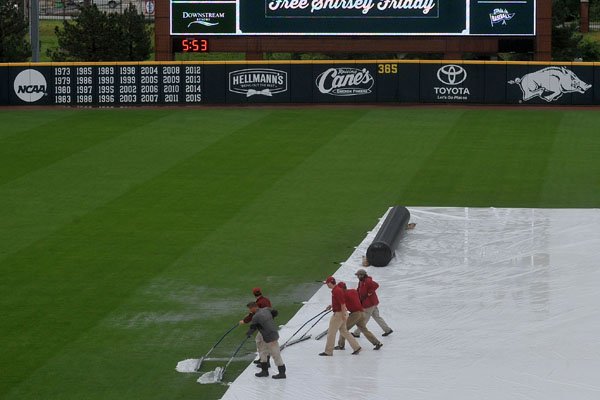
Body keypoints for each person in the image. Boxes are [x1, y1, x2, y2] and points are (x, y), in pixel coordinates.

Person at [319, 276, 361, 356]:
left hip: (339, 314)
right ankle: (356, 347)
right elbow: (340, 301)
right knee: (344, 331)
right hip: (341, 313)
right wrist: (331, 306)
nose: (327, 285)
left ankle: (328, 351)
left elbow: (342, 303)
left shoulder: (336, 291)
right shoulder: (337, 289)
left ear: (331, 283)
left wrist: (343, 315)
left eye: (327, 283)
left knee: (331, 332)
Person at [245, 302, 286, 379]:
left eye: (250, 309)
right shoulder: (267, 309)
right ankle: (264, 371)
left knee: (275, 354)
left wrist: (248, 334)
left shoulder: (256, 317)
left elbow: (252, 328)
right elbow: (275, 312)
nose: (250, 311)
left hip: (270, 336)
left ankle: (282, 373)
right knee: (262, 351)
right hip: (268, 334)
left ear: (253, 308)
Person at [336, 286, 383, 351]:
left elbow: (341, 304)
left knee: (343, 328)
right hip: (361, 312)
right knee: (364, 329)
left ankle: (341, 345)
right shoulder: (353, 291)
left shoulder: (344, 295)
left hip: (355, 314)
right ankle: (377, 343)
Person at [352, 269, 393, 337]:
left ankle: (356, 333)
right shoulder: (361, 281)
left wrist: (370, 292)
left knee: (364, 319)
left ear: (362, 275)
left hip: (369, 304)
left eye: (358, 275)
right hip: (372, 303)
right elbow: (359, 289)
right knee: (377, 317)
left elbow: (376, 285)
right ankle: (387, 330)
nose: (357, 276)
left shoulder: (368, 281)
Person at [239, 288, 272, 366]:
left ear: (254, 294)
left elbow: (254, 315)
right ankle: (262, 358)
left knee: (261, 343)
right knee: (259, 340)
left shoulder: (258, 303)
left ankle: (265, 362)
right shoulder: (265, 300)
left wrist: (244, 321)